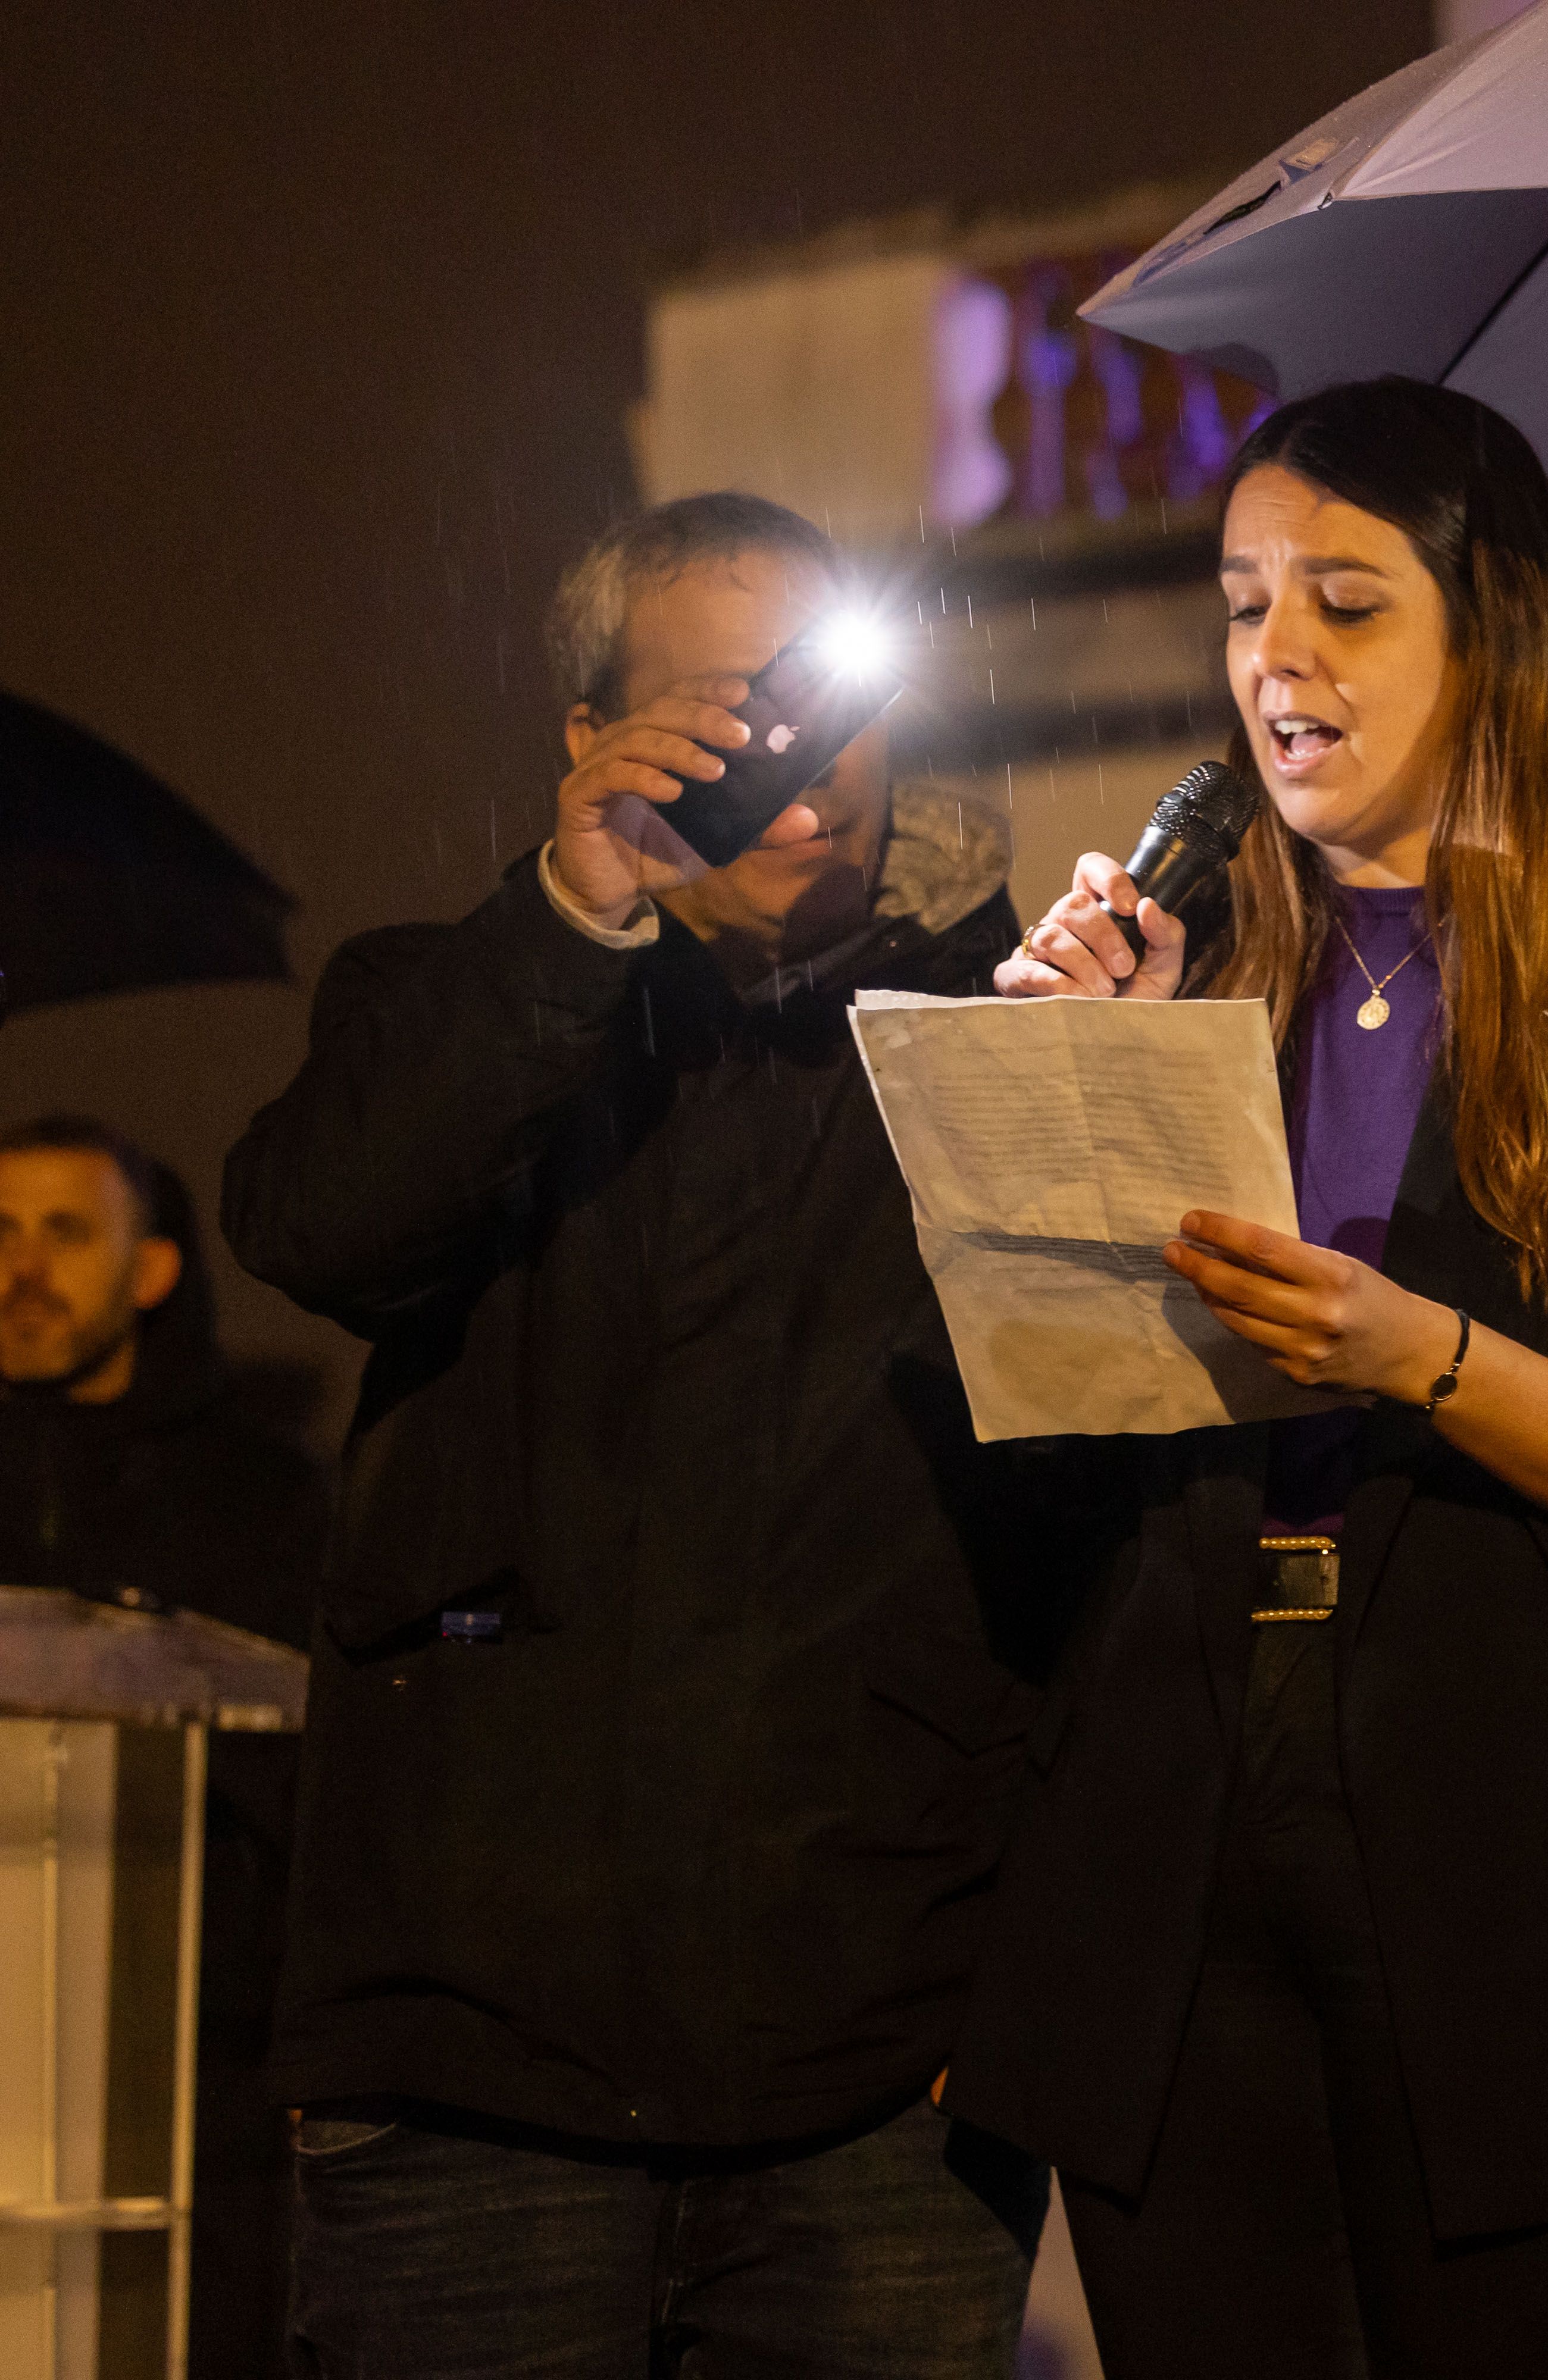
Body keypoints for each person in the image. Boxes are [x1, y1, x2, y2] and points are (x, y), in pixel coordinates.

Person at [947, 377, 1548, 2379]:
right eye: (1244, 599)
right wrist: (1071, 1114)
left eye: (1346, 601)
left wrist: (1419, 1355)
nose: (1277, 655)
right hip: (1184, 1829)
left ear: (1495, 630)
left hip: (1519, 1840)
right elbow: (1021, 1458)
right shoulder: (1186, 977)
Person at [224, 493, 1078, 2375]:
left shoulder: (1004, 1036)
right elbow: (315, 1227)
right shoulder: (454, 992)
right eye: (720, 711)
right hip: (471, 2065)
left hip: (879, 2081)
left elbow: (1109, 1505)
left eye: (832, 705)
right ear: (589, 738)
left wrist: (1124, 1099)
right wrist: (572, 918)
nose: (794, 765)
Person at [2, 1115, 323, 2374]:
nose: (23, 1266)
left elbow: (311, 1785)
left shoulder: (264, 1498)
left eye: (65, 1232)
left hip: (189, 2063)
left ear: (150, 1269)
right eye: (3, 1233)